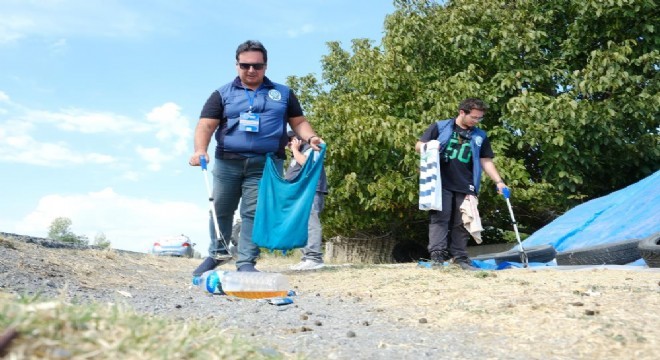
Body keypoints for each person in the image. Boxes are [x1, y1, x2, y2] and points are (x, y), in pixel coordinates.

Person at [189, 40, 324, 275]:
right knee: (220, 208)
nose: (251, 70)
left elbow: (298, 122)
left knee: (252, 212)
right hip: (228, 162)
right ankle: (218, 253)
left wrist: (310, 137)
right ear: (236, 65)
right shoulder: (222, 94)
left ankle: (246, 262)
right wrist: (200, 149)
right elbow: (206, 125)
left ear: (266, 66)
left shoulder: (282, 93)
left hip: (266, 163)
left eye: (257, 66)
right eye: (245, 65)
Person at [415, 98, 507, 270]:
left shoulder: (479, 135)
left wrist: (499, 182)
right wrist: (431, 146)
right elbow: (419, 145)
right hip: (440, 181)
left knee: (463, 221)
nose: (476, 121)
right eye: (474, 117)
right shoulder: (440, 126)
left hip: (466, 183)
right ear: (462, 112)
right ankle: (437, 257)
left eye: (480, 118)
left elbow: (485, 160)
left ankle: (460, 258)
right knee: (440, 219)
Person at [284, 130, 328, 271]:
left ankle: (314, 258)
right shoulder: (297, 153)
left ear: (297, 139)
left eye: (289, 141)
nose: (287, 144)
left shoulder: (311, 149)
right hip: (301, 193)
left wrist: (295, 150)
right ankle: (306, 258)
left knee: (311, 224)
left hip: (311, 191)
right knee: (302, 225)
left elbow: (306, 164)